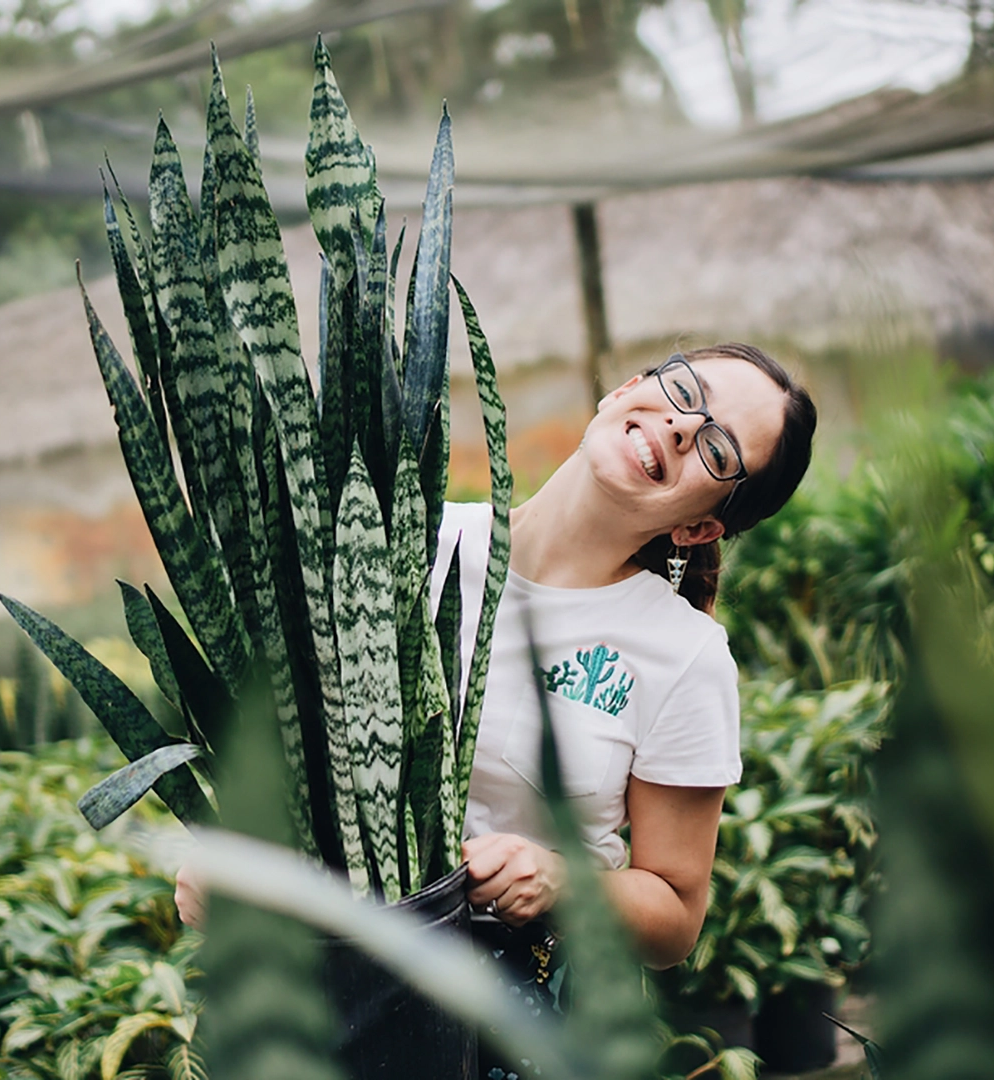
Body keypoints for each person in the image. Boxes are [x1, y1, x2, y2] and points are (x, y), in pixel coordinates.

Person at [176, 343, 815, 1063]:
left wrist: (558, 881)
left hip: (523, 1023)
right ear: (625, 390)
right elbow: (294, 750)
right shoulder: (408, 543)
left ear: (699, 528)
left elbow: (674, 919)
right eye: (685, 391)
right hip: (328, 992)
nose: (681, 426)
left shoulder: (685, 654)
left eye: (718, 450)